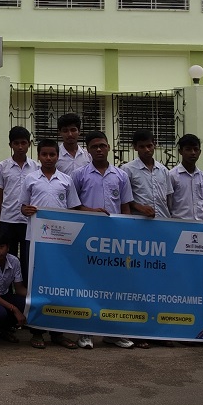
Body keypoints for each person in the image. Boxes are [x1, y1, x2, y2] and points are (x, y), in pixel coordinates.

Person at [71, 131, 138, 349]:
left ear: (109, 147)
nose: (98, 149)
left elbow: (126, 207)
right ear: (88, 150)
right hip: (87, 238)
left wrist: (126, 234)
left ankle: (113, 332)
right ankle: (85, 332)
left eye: (102, 145)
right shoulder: (79, 175)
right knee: (87, 285)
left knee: (113, 286)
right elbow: (73, 206)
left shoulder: (120, 176)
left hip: (114, 240)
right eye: (94, 147)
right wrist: (91, 211)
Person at [20, 139, 82, 349]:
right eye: (44, 154)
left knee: (58, 285)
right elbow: (23, 207)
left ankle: (57, 333)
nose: (48, 158)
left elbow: (73, 208)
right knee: (37, 285)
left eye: (52, 154)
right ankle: (37, 331)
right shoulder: (30, 179)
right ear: (38, 156)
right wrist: (26, 210)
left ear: (58, 156)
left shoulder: (66, 180)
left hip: (60, 242)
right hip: (35, 240)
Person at [0, 126, 39, 279]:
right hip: (8, 219)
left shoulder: (36, 167)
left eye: (24, 143)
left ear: (29, 144)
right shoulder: (2, 167)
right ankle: (9, 288)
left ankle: (25, 289)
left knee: (27, 258)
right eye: (16, 143)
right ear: (10, 145)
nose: (20, 147)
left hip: (29, 220)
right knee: (8, 258)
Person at [121, 129, 172, 219]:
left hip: (163, 220)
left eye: (149, 146)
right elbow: (124, 198)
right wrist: (139, 207)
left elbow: (168, 198)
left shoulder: (163, 170)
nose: (147, 150)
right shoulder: (127, 169)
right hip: (140, 221)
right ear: (135, 147)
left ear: (154, 145)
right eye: (142, 147)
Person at [168, 133, 203, 223]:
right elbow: (168, 204)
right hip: (179, 224)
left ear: (200, 152)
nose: (193, 153)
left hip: (200, 225)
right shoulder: (172, 175)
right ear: (180, 151)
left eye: (195, 149)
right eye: (188, 149)